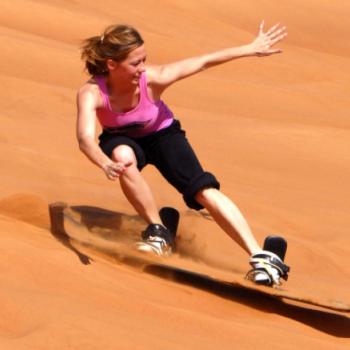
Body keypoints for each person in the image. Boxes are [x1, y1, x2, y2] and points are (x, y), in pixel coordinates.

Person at [76, 21, 289, 285]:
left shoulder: (154, 79)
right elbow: (85, 138)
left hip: (163, 136)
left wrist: (249, 48)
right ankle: (158, 232)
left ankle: (262, 257)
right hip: (120, 138)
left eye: (144, 60)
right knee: (122, 157)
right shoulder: (92, 93)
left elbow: (203, 62)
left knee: (203, 190)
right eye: (135, 63)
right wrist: (103, 163)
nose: (142, 68)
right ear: (111, 64)